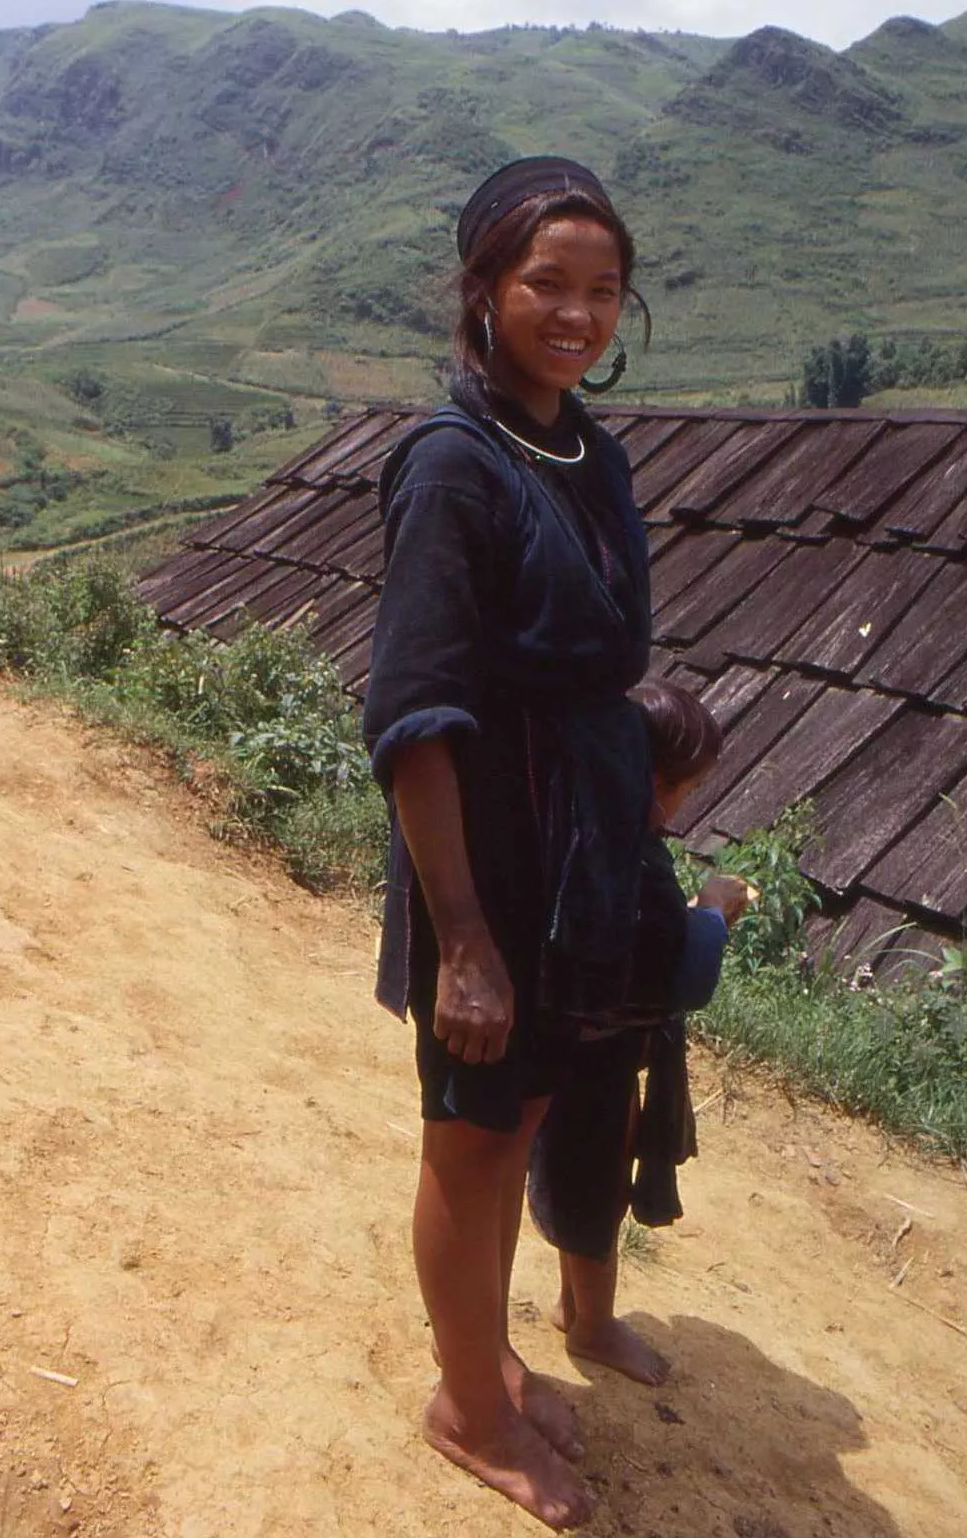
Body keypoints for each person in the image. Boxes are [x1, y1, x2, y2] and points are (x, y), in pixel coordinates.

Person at [363, 156, 655, 1531]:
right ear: (481, 287)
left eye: (602, 289)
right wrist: (461, 935)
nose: (576, 312)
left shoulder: (586, 451)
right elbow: (415, 717)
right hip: (481, 860)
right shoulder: (449, 465)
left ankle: (487, 1354)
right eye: (547, 282)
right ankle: (464, 1403)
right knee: (471, 1138)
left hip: (572, 861)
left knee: (523, 1110)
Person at [527, 679, 751, 1387]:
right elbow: (686, 981)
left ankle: (571, 1304)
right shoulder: (642, 867)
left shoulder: (578, 827)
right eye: (686, 787)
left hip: (552, 1046)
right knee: (595, 1192)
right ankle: (593, 1325)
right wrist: (712, 912)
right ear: (657, 782)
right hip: (599, 1064)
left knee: (566, 1181)